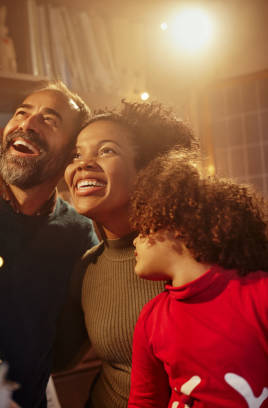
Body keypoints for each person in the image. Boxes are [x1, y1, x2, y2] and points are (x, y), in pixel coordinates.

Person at [0, 81, 98, 408]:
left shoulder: (78, 234)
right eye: (22, 112)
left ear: (70, 153)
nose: (27, 123)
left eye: (49, 120)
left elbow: (66, 353)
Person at [55, 101, 197, 408]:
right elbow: (56, 358)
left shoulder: (194, 251)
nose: (83, 164)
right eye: (76, 155)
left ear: (147, 170)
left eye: (106, 150)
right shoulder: (88, 266)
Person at [128, 150, 268, 408]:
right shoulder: (151, 318)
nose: (135, 241)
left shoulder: (259, 294)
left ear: (179, 226)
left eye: (145, 228)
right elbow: (144, 401)